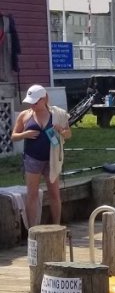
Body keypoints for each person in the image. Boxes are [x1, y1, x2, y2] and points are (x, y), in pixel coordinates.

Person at [10, 85, 71, 227]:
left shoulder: (57, 114)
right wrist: (25, 134)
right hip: (32, 158)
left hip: (52, 159)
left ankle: (57, 226)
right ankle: (32, 229)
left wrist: (61, 130)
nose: (33, 105)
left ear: (44, 99)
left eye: (35, 102)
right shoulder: (25, 115)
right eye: (31, 102)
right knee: (32, 195)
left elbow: (68, 134)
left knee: (54, 194)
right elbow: (13, 136)